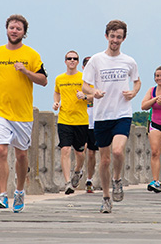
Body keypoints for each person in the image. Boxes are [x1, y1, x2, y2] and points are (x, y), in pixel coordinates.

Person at [0, 14, 48, 212]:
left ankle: (19, 191)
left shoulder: (32, 55)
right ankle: (2, 195)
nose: (14, 31)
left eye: (18, 29)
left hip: (23, 114)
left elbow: (44, 80)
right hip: (0, 109)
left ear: (24, 33)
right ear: (7, 29)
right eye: (12, 27)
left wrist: (26, 72)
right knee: (1, 150)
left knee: (21, 156)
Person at [82, 20, 141, 213]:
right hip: (101, 115)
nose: (115, 40)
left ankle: (117, 179)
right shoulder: (96, 60)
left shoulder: (129, 61)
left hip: (122, 113)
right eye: (112, 36)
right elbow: (84, 85)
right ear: (106, 36)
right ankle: (106, 197)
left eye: (119, 37)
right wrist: (93, 93)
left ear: (123, 38)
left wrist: (133, 92)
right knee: (104, 159)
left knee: (117, 151)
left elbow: (137, 82)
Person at [52, 50, 90, 195]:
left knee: (80, 152)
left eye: (75, 59)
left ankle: (78, 170)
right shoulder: (59, 79)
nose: (72, 61)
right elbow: (56, 92)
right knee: (65, 149)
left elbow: (94, 96)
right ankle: (67, 182)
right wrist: (56, 102)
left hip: (81, 120)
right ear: (65, 61)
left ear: (78, 62)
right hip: (64, 119)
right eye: (69, 58)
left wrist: (85, 96)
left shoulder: (84, 78)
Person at [141, 66, 161, 193]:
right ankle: (155, 181)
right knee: (155, 152)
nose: (159, 78)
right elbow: (143, 106)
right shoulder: (152, 90)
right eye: (157, 76)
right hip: (155, 124)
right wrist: (155, 99)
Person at [81, 56, 98, 193]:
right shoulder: (78, 80)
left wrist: (87, 97)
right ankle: (78, 171)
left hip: (95, 121)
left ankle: (89, 179)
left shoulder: (98, 82)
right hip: (79, 120)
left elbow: (101, 95)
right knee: (80, 150)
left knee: (92, 153)